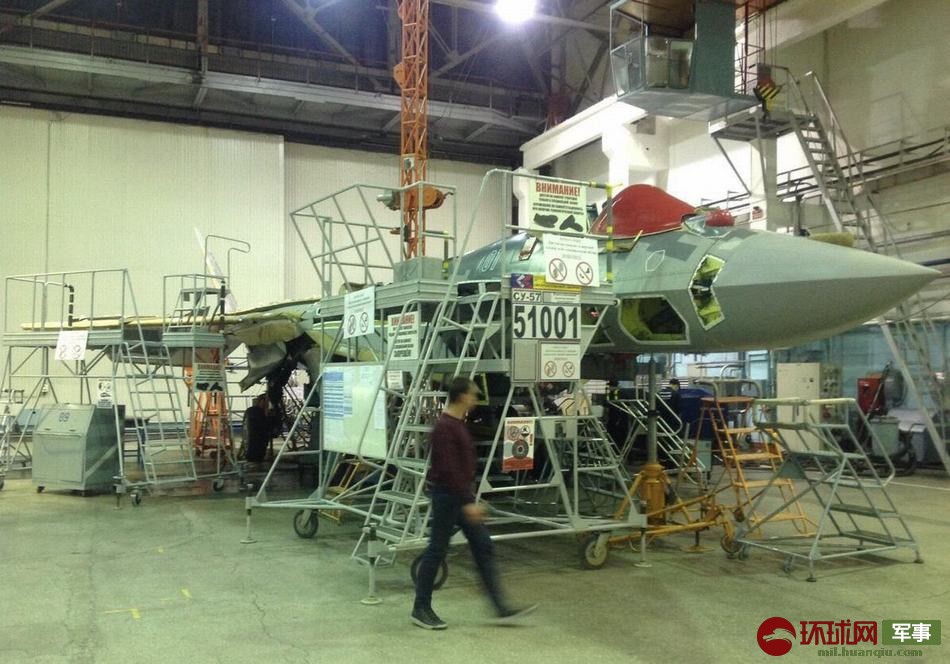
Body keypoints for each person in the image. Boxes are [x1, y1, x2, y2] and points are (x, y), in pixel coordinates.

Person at [412, 376, 538, 630]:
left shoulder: (457, 423)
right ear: (461, 396)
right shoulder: (445, 427)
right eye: (472, 394)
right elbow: (449, 469)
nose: (475, 398)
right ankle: (420, 608)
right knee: (437, 550)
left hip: (459, 496)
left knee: (483, 545)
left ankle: (501, 608)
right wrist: (468, 502)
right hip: (448, 497)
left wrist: (469, 498)